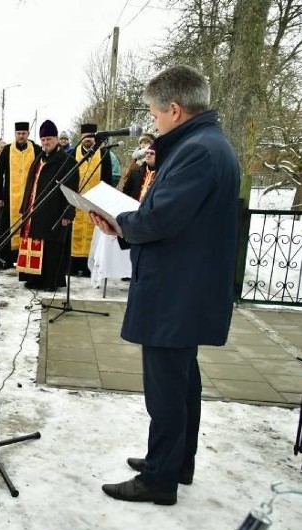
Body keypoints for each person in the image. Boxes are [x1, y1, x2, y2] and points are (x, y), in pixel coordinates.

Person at [92, 65, 239, 505]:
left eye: (155, 113)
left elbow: (162, 218)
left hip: (177, 291)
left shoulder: (197, 151)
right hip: (185, 287)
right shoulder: (204, 145)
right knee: (181, 382)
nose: (152, 121)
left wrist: (120, 223)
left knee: (166, 389)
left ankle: (160, 479)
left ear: (174, 109)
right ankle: (177, 461)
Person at [17, 119, 79, 291]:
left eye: (49, 139)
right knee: (35, 242)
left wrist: (68, 213)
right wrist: (25, 207)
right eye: (43, 140)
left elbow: (72, 190)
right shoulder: (38, 159)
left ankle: (50, 281)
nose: (46, 143)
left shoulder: (68, 162)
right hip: (35, 209)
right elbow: (31, 184)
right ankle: (34, 278)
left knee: (52, 247)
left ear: (57, 139)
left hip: (55, 210)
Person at [0, 121, 41, 270]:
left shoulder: (36, 149)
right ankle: (6, 259)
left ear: (28, 134)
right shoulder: (7, 150)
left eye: (23, 133)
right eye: (18, 133)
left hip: (29, 198)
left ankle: (24, 258)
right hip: (9, 197)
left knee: (27, 228)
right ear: (15, 134)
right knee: (7, 228)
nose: (21, 136)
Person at [71, 123, 114, 277]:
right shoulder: (72, 154)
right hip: (76, 202)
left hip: (96, 203)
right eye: (85, 137)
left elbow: (108, 180)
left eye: (91, 137)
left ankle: (90, 266)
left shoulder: (103, 154)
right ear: (81, 137)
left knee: (93, 232)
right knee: (75, 233)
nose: (88, 139)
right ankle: (73, 265)